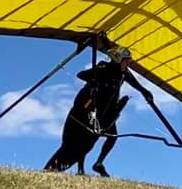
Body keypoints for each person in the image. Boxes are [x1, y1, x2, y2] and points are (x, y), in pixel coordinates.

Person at [44, 46, 152, 175]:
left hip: (107, 113)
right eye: (126, 60)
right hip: (91, 109)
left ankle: (99, 163)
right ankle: (75, 168)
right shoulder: (104, 67)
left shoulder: (124, 73)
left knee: (112, 136)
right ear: (118, 60)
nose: (129, 63)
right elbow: (81, 74)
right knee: (82, 142)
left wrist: (145, 92)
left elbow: (136, 84)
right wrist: (93, 81)